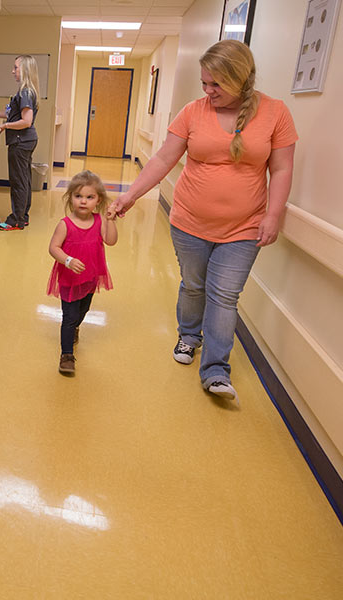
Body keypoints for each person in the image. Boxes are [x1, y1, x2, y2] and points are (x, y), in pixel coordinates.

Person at [111, 39, 297, 402]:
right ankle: (189, 335)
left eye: (216, 85)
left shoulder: (276, 113)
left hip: (244, 227)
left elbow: (282, 167)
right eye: (204, 84)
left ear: (240, 79)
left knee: (225, 296)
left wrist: (273, 214)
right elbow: (163, 159)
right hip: (189, 222)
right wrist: (130, 195)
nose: (208, 91)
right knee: (193, 286)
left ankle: (215, 370)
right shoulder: (193, 112)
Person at [47, 171, 117, 375]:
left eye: (89, 197)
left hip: (90, 277)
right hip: (69, 278)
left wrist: (111, 220)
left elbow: (111, 241)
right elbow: (53, 248)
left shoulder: (99, 221)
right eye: (78, 196)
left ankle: (75, 328)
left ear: (98, 200)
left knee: (83, 310)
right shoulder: (65, 224)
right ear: (70, 198)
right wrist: (67, 260)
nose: (83, 201)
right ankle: (66, 355)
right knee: (69, 316)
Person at [0, 55, 39, 231]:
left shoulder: (25, 92)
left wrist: (5, 126)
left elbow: (26, 121)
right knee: (24, 179)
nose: (13, 71)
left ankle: (16, 220)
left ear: (25, 70)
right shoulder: (26, 92)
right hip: (26, 140)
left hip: (21, 141)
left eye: (16, 68)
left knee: (18, 181)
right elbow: (11, 114)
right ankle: (23, 216)